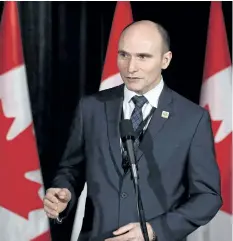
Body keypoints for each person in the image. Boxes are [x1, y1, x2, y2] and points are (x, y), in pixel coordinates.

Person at [43, 20, 222, 241]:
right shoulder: (91, 108)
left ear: (165, 60)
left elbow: (207, 197)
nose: (130, 68)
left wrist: (156, 229)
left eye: (143, 57)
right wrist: (64, 194)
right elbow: (71, 169)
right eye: (124, 55)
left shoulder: (192, 119)